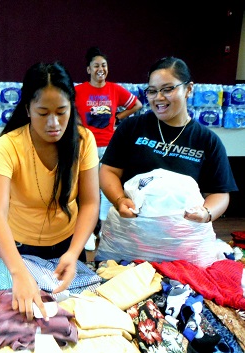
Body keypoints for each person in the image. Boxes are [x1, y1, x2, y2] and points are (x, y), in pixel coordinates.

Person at [0, 61, 99, 321]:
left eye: (61, 111)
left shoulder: (83, 141)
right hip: (20, 249)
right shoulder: (7, 147)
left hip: (69, 245)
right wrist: (17, 272)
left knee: (71, 314)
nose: (53, 123)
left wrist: (72, 252)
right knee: (25, 314)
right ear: (27, 109)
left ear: (71, 106)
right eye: (43, 112)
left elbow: (91, 203)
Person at [98, 56, 238, 260]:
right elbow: (109, 170)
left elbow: (220, 193)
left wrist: (206, 213)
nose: (158, 98)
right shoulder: (132, 128)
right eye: (152, 91)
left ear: (189, 89)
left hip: (181, 246)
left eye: (168, 89)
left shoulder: (207, 141)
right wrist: (119, 200)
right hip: (130, 242)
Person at [75, 46, 142, 250]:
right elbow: (67, 109)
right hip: (86, 148)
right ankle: (86, 232)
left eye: (103, 65)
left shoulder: (115, 89)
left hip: (110, 147)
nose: (100, 69)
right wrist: (78, 126)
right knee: (86, 190)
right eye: (96, 66)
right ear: (88, 69)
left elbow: (137, 105)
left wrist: (117, 118)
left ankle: (104, 229)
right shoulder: (78, 90)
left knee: (107, 190)